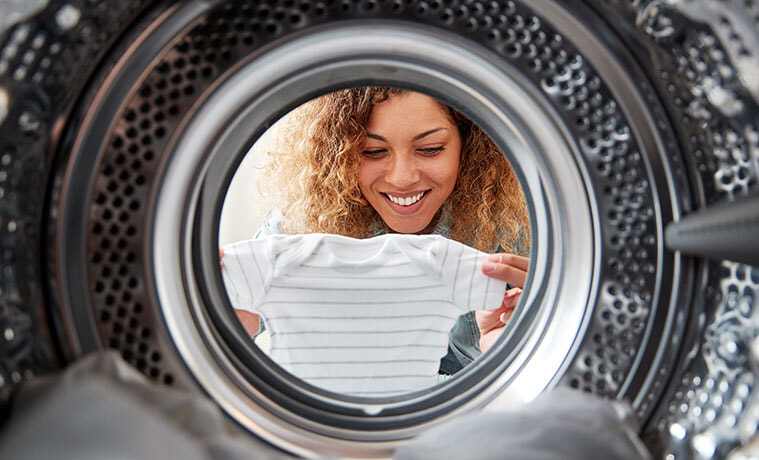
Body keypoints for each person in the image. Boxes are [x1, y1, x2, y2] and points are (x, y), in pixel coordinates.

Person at [224, 87, 530, 376]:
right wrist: (227, 323)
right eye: (373, 151)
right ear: (338, 153)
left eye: (429, 149)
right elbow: (227, 337)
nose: (402, 178)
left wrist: (517, 348)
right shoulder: (298, 226)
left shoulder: (516, 233)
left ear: (469, 143)